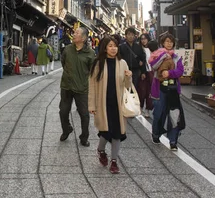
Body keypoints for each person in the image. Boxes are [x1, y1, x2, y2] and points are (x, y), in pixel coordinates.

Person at [88, 36, 132, 174]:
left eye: (115, 46)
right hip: (103, 103)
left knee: (117, 133)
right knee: (106, 132)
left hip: (118, 104)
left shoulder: (123, 63)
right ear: (105, 48)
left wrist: (129, 77)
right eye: (110, 46)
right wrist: (92, 105)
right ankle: (101, 150)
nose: (113, 48)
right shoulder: (98, 63)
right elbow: (93, 85)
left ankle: (114, 161)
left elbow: (128, 87)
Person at [59, 27, 95, 147]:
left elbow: (92, 70)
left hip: (82, 88)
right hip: (66, 86)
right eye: (74, 33)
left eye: (77, 33)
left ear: (84, 38)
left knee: (84, 114)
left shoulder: (90, 53)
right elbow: (63, 63)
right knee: (63, 111)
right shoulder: (68, 49)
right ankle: (66, 129)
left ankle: (84, 137)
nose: (74, 35)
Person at [149, 32, 184, 151]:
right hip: (159, 89)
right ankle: (156, 134)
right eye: (166, 41)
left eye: (171, 41)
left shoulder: (177, 57)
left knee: (174, 115)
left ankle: (173, 141)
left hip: (173, 89)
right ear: (162, 43)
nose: (169, 44)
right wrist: (163, 56)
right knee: (159, 113)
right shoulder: (156, 55)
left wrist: (169, 73)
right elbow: (153, 66)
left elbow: (180, 71)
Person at [138, 34, 155, 117]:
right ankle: (140, 107)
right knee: (142, 90)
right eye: (142, 39)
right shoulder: (139, 49)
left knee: (149, 91)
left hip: (151, 72)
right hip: (143, 72)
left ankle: (148, 109)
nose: (143, 40)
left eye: (145, 39)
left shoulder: (152, 49)